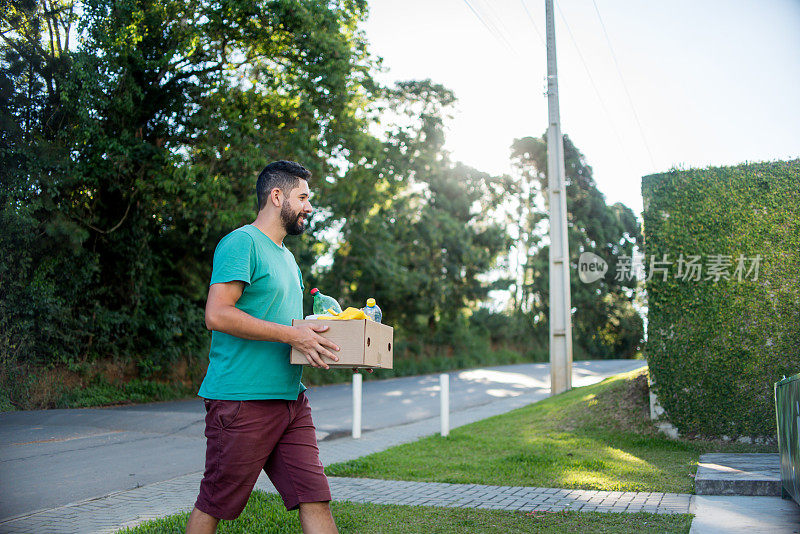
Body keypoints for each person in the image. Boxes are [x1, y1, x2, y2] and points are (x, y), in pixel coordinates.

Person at [186, 160, 341, 534]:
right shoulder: (242, 243)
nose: (309, 206)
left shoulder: (288, 258)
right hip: (241, 401)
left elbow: (297, 331)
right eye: (302, 197)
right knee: (215, 503)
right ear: (276, 196)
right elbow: (217, 314)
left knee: (315, 496)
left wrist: (349, 353)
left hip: (290, 401)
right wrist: (292, 336)